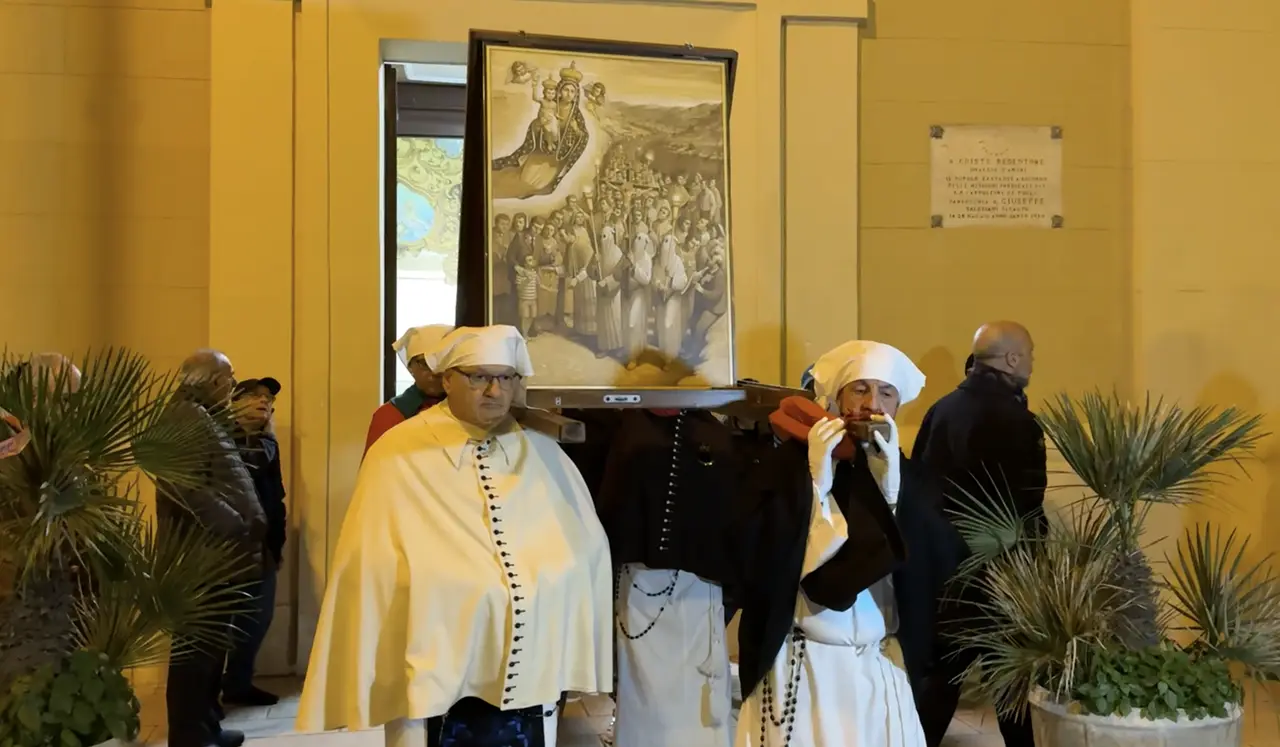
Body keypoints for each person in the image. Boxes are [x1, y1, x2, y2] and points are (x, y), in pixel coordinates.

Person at [296, 325, 614, 747]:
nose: (494, 391)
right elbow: (370, 560)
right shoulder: (398, 451)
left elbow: (584, 548)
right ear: (447, 380)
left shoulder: (542, 451)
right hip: (433, 658)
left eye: (505, 378)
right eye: (479, 377)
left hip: (526, 662)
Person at [734, 340, 935, 747]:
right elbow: (768, 558)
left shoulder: (907, 474)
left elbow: (926, 564)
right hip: (808, 665)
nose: (871, 403)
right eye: (860, 389)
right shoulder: (789, 464)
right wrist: (815, 485)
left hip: (878, 666)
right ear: (838, 398)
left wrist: (893, 491)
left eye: (886, 392)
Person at [910, 321, 1045, 747]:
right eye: (1030, 354)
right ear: (1012, 359)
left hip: (944, 570)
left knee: (938, 683)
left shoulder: (940, 410)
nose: (1032, 363)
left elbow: (919, 488)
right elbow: (1028, 504)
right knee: (1011, 686)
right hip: (1002, 575)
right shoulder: (1019, 421)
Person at [161, 350, 266, 747]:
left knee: (210, 652)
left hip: (216, 554)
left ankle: (207, 727)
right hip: (200, 555)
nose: (232, 385)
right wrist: (234, 523)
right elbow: (184, 487)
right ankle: (190, 735)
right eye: (228, 377)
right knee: (194, 653)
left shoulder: (198, 414)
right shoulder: (181, 416)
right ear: (209, 381)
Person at [222, 377, 288, 708]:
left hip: (262, 546)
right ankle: (210, 694)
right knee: (221, 623)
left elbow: (276, 499)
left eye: (268, 399)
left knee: (258, 618)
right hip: (228, 546)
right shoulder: (222, 440)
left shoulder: (267, 443)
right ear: (234, 401)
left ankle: (238, 683)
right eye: (255, 397)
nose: (264, 403)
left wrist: (278, 544)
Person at [365, 324, 454, 454]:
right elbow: (373, 470)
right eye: (424, 363)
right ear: (410, 366)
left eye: (442, 363)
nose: (435, 372)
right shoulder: (390, 415)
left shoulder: (471, 412)